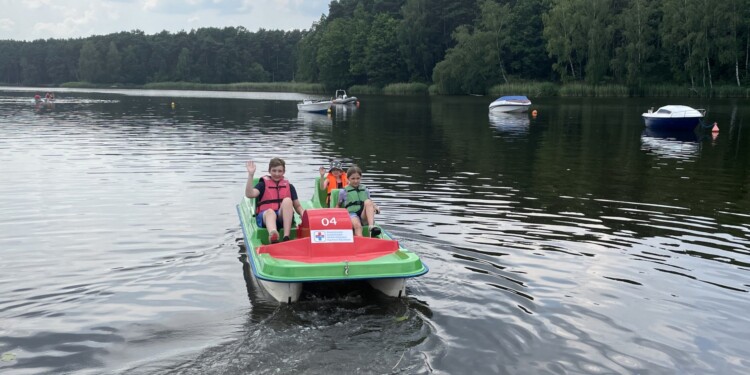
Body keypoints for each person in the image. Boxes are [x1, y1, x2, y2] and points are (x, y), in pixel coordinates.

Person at [245, 158, 305, 243]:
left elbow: (297, 206)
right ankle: (273, 235)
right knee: (270, 212)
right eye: (274, 171)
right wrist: (251, 175)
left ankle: (286, 236)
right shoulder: (262, 185)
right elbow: (249, 194)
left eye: (280, 171)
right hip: (266, 218)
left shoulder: (289, 186)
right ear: (269, 171)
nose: (277, 174)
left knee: (288, 200)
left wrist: (303, 213)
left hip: (282, 218)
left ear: (284, 172)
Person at [337, 165, 381, 237]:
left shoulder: (365, 190)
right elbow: (338, 205)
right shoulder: (343, 191)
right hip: (352, 214)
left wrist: (376, 207)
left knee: (368, 202)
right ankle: (360, 242)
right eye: (353, 178)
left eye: (358, 178)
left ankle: (371, 227)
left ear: (361, 178)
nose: (356, 181)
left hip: (363, 215)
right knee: (357, 225)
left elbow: (370, 202)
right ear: (348, 179)